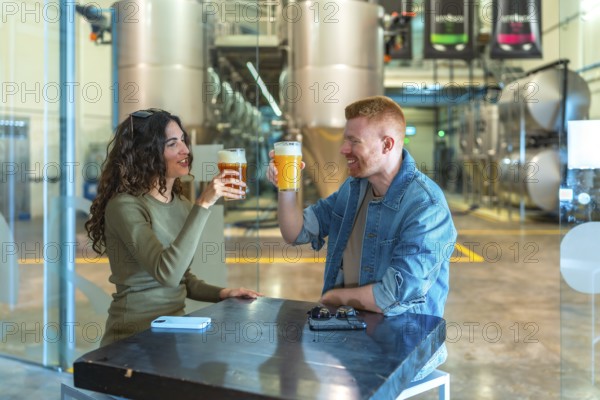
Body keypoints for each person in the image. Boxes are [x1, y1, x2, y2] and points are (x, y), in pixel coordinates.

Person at [266, 96, 456, 379]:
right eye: (345, 140)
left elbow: (390, 296)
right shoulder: (354, 188)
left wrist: (334, 296)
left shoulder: (426, 207)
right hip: (350, 327)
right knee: (284, 365)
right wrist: (286, 188)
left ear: (387, 144)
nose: (344, 149)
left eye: (354, 141)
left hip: (406, 339)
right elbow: (296, 233)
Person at [86, 108, 262, 346]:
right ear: (147, 153)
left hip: (173, 333)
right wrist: (204, 203)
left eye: (183, 140)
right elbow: (167, 274)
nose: (185, 150)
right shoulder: (124, 206)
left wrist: (222, 293)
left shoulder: (182, 206)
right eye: (172, 144)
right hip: (131, 339)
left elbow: (181, 278)